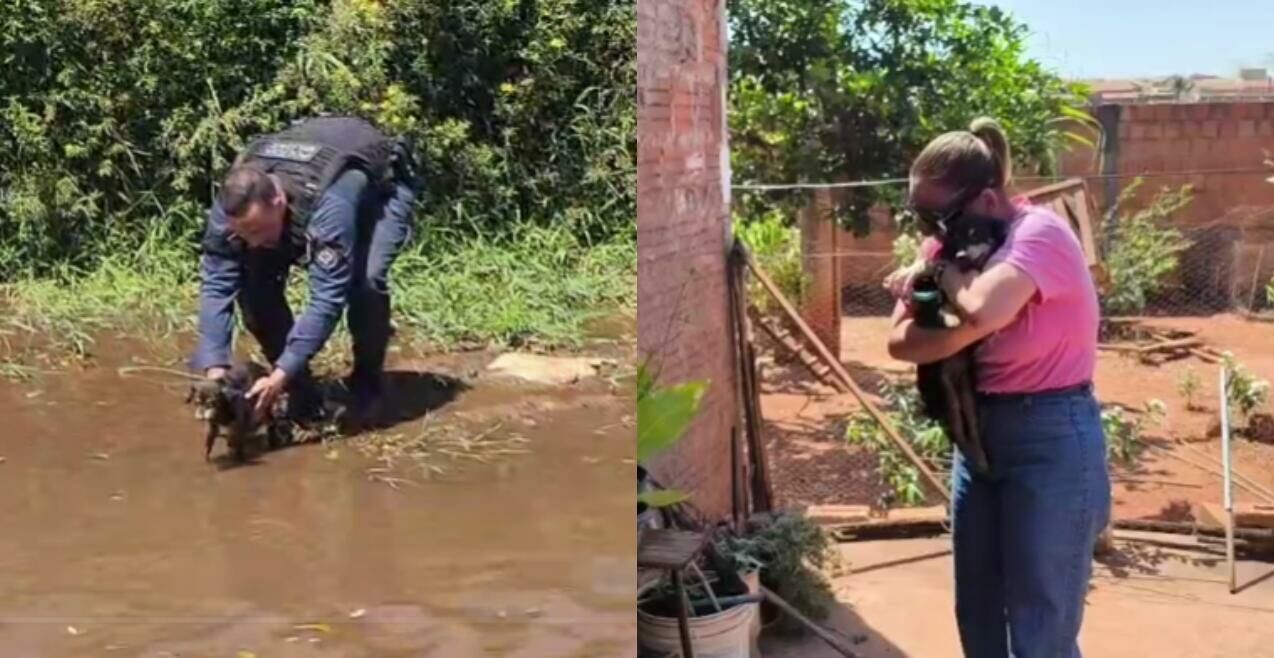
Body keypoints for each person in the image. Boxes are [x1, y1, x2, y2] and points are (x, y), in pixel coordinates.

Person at [884, 117, 1109, 658]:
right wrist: (950, 298)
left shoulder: (1041, 235)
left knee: (1040, 625)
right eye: (922, 215)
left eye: (940, 215)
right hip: (977, 438)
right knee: (978, 613)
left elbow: (984, 309)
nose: (933, 229)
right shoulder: (946, 250)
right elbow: (901, 342)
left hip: (1050, 435)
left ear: (986, 198)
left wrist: (940, 284)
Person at [190, 115, 418, 429]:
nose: (252, 241)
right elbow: (217, 283)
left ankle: (367, 384)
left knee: (365, 282)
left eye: (258, 229)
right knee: (255, 292)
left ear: (279, 200)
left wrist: (280, 374)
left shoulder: (330, 206)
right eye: (243, 234)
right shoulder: (232, 207)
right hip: (310, 183)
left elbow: (327, 299)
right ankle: (304, 397)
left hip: (379, 192)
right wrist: (215, 369)